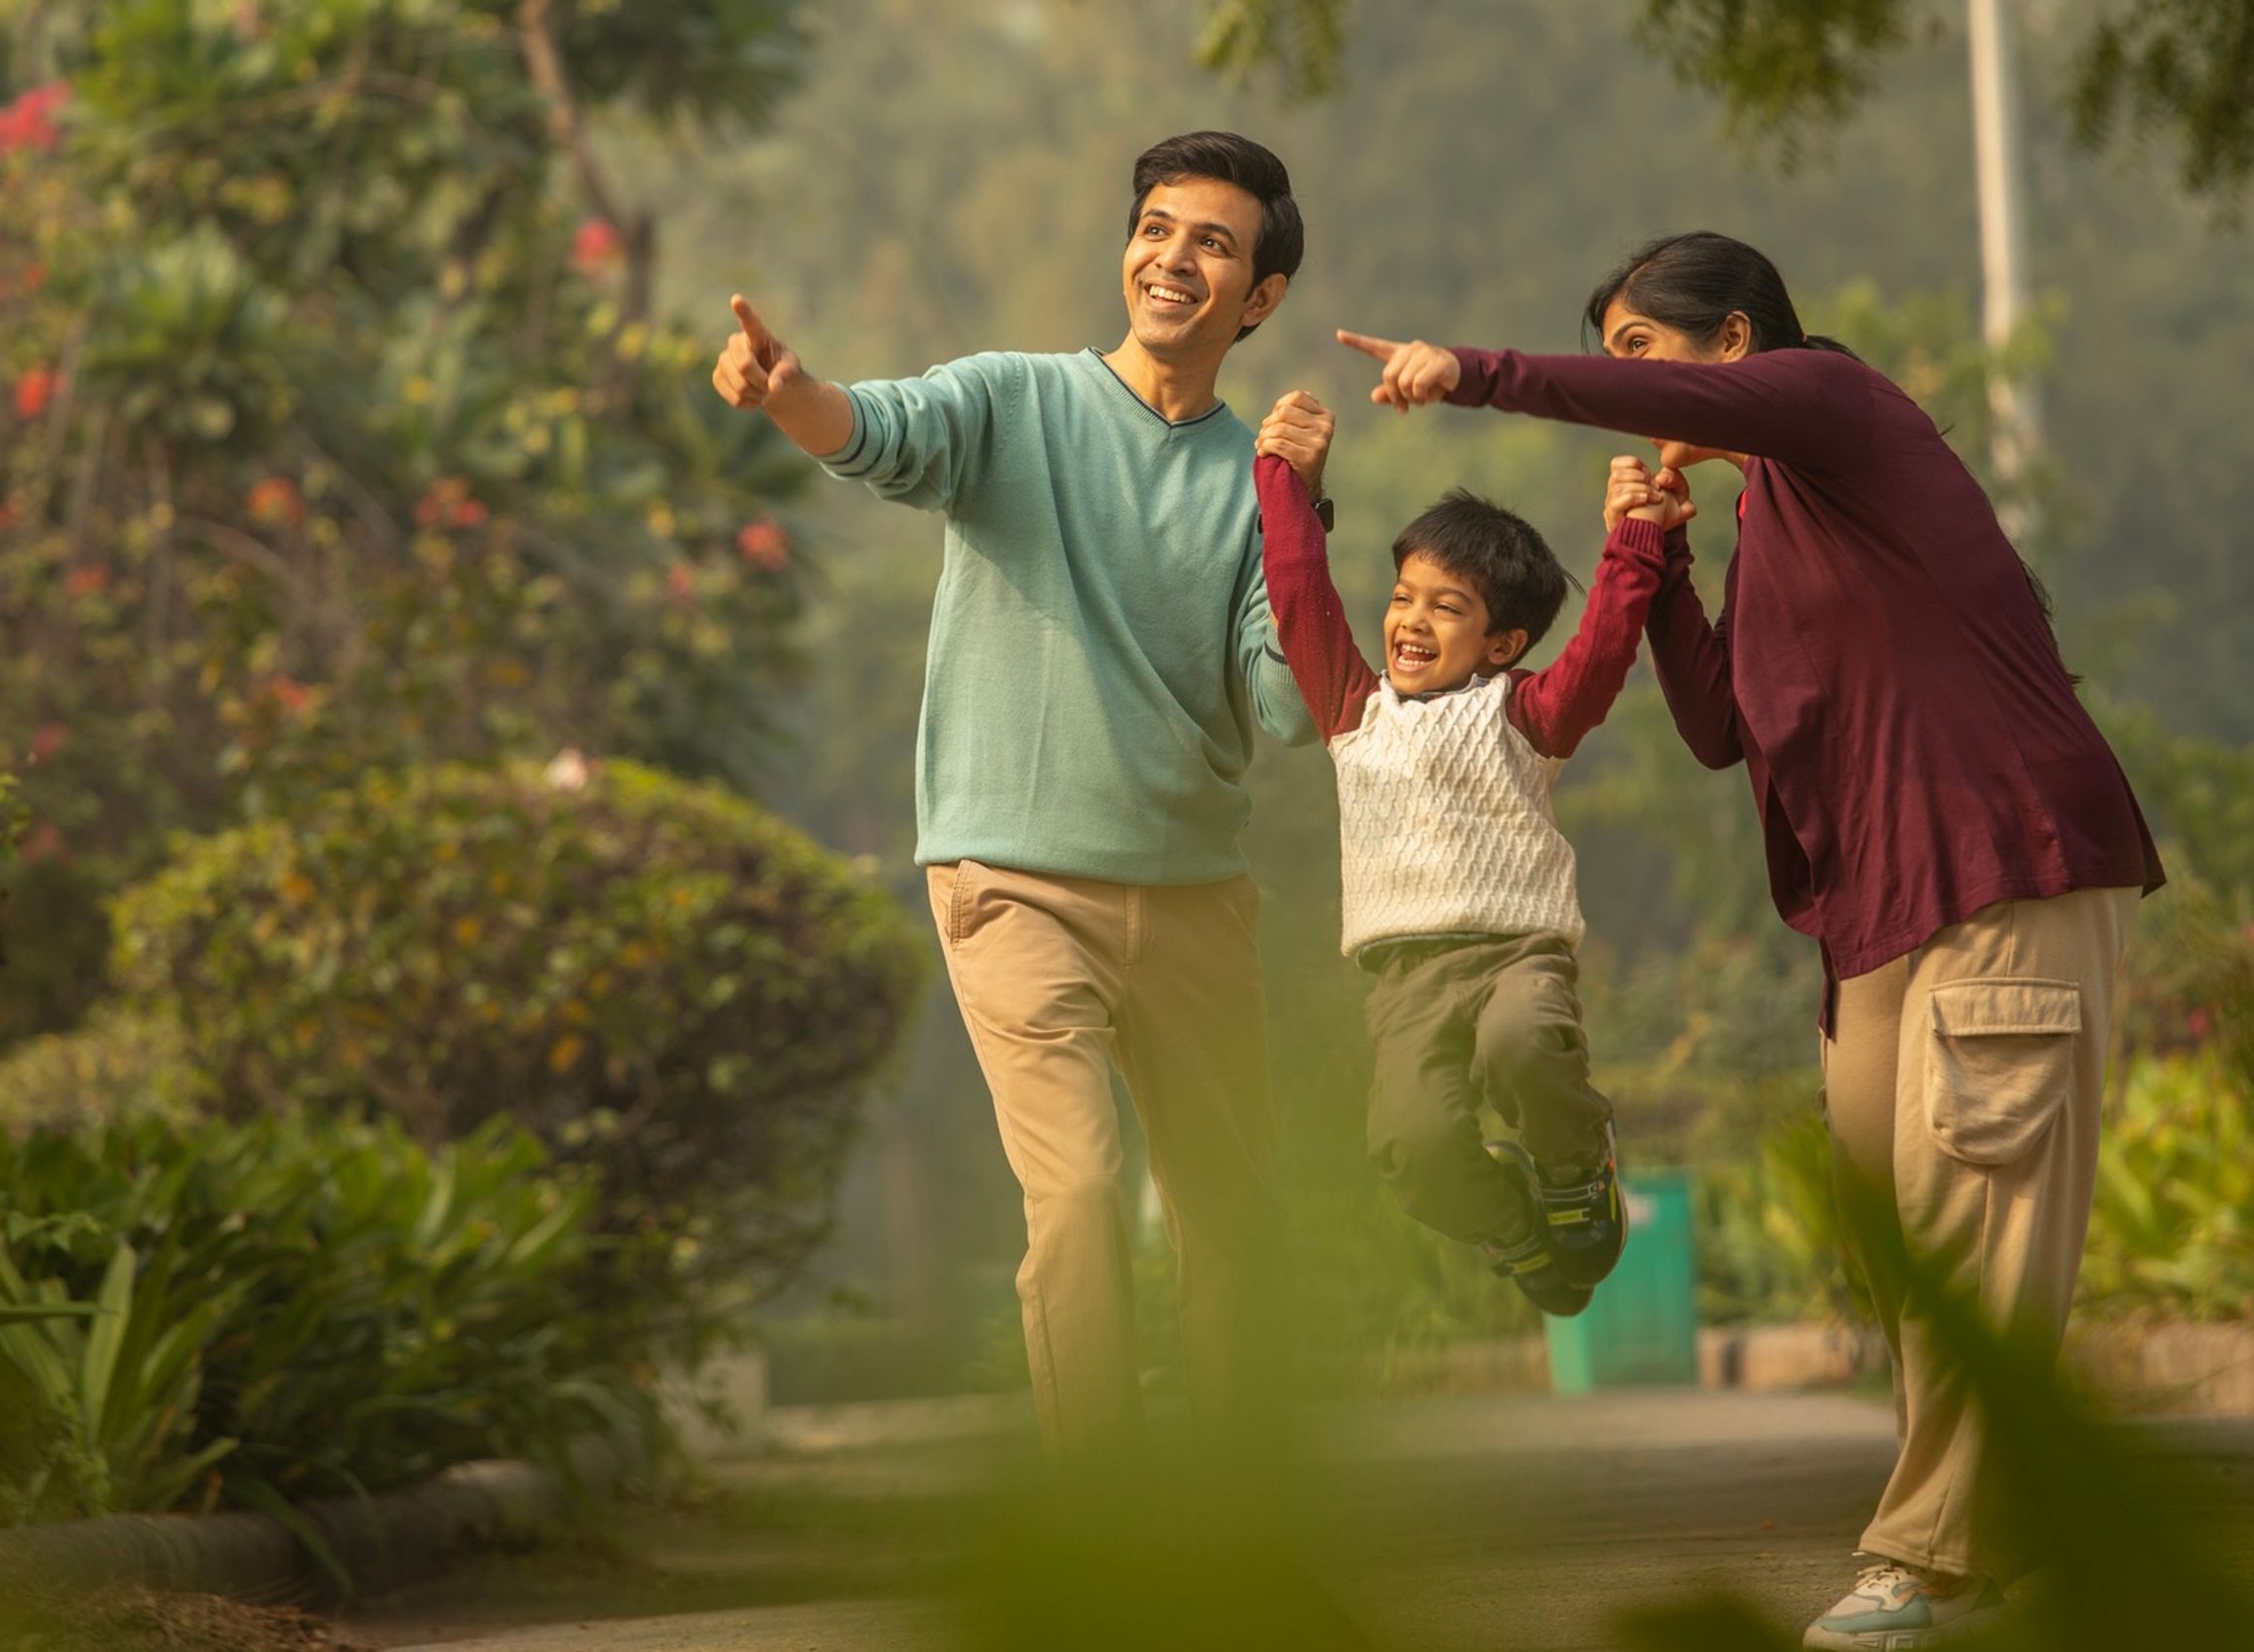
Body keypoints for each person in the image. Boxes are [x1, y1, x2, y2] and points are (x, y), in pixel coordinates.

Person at [1338, 230, 2164, 1649]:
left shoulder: (1835, 409)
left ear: (1737, 348)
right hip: (1878, 909)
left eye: (1639, 352)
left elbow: (1687, 407)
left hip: (2002, 859)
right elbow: (1726, 731)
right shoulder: (1777, 515)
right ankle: (2019, 1534)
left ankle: (1927, 1557)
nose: (1624, 382)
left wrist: (1470, 371)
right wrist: (1652, 560)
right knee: (1901, 1232)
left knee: (1972, 1223)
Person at [711, 132, 1321, 1462]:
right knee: (1085, 1194)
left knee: (1233, 1218)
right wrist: (790, 389)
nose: (1172, 258)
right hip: (1013, 880)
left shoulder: (1260, 483)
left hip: (1197, 891)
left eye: (1212, 241)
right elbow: (877, 437)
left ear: (1259, 297)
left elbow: (1289, 705)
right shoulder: (1013, 404)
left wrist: (1299, 517)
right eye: (1155, 227)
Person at [1250, 393, 1678, 1313]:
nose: (1410, 620)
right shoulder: (1351, 713)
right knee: (1410, 1146)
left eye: (1447, 607)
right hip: (1406, 977)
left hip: (1516, 954)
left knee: (1523, 1045)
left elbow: (1603, 651)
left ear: (1503, 643)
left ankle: (1575, 1167)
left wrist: (1633, 540)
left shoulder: (1523, 715)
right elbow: (1295, 585)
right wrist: (1286, 477)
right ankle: (1513, 1225)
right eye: (1404, 596)